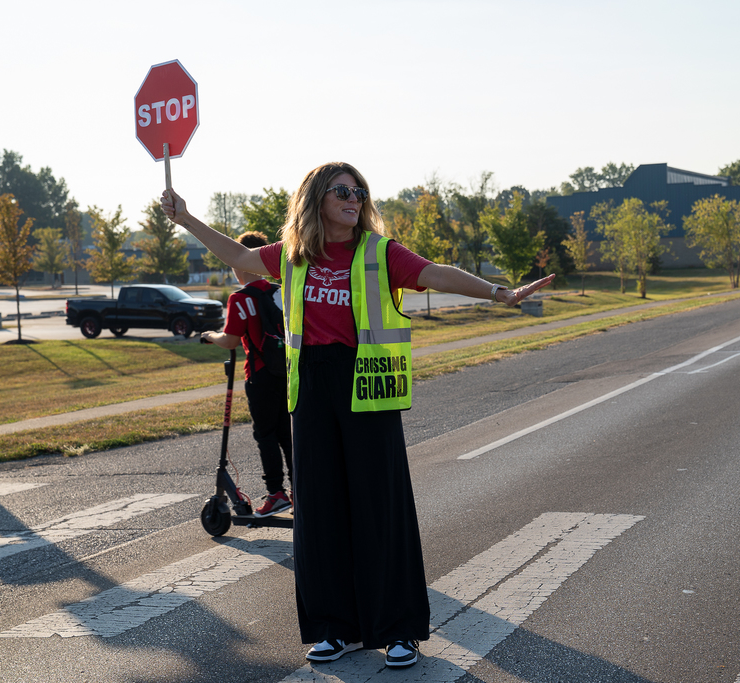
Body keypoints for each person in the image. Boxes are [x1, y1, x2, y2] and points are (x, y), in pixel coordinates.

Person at [162, 161, 554, 669]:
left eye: (360, 191)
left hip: (367, 386)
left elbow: (434, 272)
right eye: (342, 190)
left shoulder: (379, 252)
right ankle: (334, 628)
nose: (354, 198)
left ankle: (397, 630)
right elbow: (237, 255)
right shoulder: (293, 256)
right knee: (319, 512)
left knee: (379, 509)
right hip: (311, 392)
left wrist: (497, 291)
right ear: (316, 200)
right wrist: (187, 219)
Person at [200, 231, 293, 517]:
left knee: (265, 434)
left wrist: (209, 336)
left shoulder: (240, 298)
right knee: (288, 433)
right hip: (287, 371)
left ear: (242, 261)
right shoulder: (279, 290)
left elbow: (230, 340)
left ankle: (276, 493)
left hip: (260, 373)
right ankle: (300, 489)